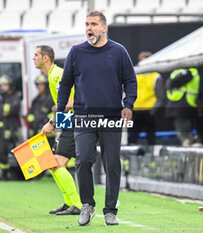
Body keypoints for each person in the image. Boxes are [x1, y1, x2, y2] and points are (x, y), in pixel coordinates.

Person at [57, 11, 137, 226]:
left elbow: (130, 81)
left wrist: (128, 105)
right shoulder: (76, 52)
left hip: (111, 117)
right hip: (83, 117)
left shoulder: (119, 52)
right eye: (87, 24)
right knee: (83, 160)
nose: (89, 28)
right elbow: (65, 85)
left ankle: (110, 210)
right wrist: (61, 114)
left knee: (112, 164)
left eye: (93, 24)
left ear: (104, 28)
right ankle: (87, 205)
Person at [33, 45, 82, 215]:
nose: (34, 58)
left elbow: (68, 104)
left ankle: (76, 204)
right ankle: (70, 203)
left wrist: (52, 123)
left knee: (56, 163)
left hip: (74, 119)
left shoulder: (55, 75)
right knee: (54, 163)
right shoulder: (53, 75)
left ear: (46, 58)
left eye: (36, 55)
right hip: (70, 120)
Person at [129, 51, 165, 145]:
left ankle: (152, 157)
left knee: (151, 137)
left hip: (149, 111)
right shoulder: (135, 75)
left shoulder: (156, 76)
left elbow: (161, 96)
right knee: (132, 136)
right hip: (136, 110)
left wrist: (153, 110)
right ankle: (129, 157)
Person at [165, 68, 203, 146]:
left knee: (185, 136)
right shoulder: (195, 71)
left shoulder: (189, 71)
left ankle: (191, 149)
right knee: (186, 135)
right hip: (187, 106)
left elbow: (170, 84)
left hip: (182, 107)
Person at [0, 75, 21, 180]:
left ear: (10, 85)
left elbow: (14, 108)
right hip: (2, 130)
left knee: (17, 152)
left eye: (5, 85)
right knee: (1, 152)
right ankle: (4, 174)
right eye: (1, 85)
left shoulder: (15, 96)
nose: (3, 87)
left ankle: (21, 175)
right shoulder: (0, 97)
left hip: (12, 129)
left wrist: (6, 109)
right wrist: (5, 109)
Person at [27, 74, 55, 146]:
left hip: (48, 134)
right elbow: (31, 115)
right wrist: (32, 125)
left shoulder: (51, 99)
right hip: (36, 134)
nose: (39, 87)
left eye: (41, 85)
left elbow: (54, 114)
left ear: (46, 85)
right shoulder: (35, 100)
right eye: (38, 85)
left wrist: (44, 122)